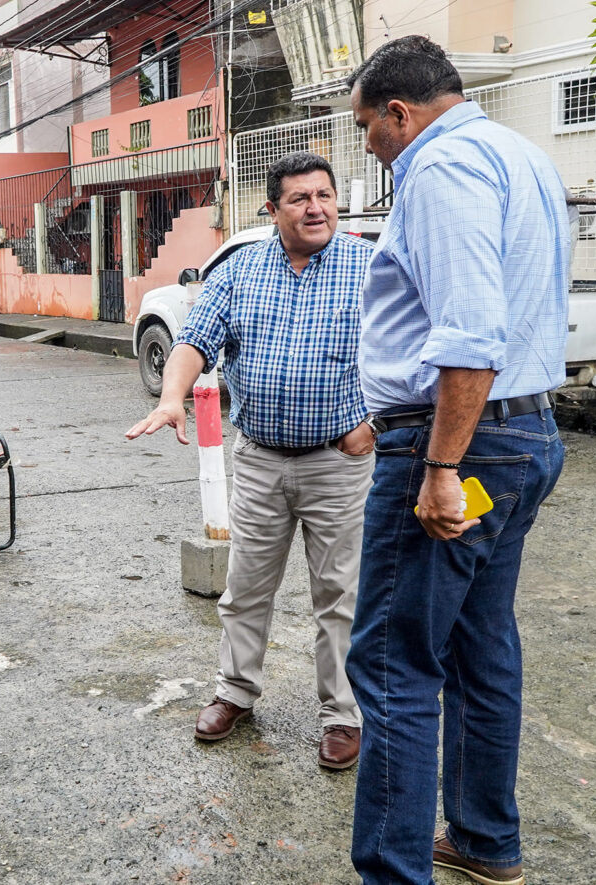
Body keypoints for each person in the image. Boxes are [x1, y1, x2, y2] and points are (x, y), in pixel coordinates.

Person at [344, 36, 570, 885]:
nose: (368, 145)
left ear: (399, 113)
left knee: (394, 660)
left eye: (367, 128)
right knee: (480, 644)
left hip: (455, 441)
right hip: (524, 435)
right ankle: (482, 838)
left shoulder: (439, 168)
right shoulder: (518, 153)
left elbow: (470, 333)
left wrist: (439, 467)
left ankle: (393, 873)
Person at [126, 151, 376, 769]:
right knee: (244, 589)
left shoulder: (370, 267)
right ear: (272, 210)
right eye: (300, 198)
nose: (316, 208)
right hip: (261, 459)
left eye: (325, 195)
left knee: (340, 595)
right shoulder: (241, 273)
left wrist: (375, 423)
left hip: (337, 463)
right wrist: (172, 397)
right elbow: (194, 341)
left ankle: (342, 715)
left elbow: (406, 353)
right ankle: (235, 691)